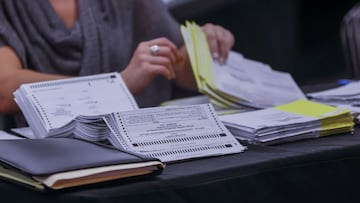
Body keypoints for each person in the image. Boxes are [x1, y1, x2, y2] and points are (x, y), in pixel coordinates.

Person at [0, 0, 235, 128]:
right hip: (37, 159)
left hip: (133, 140)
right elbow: (5, 88)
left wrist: (204, 47)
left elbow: (178, 70)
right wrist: (119, 85)